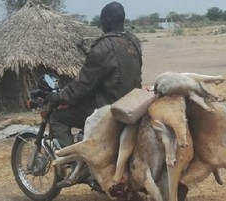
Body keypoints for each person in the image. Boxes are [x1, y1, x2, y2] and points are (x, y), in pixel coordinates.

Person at [45, 1, 142, 189]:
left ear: (107, 20)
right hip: (130, 105)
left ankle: (77, 165)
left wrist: (60, 97)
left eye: (101, 20)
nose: (100, 24)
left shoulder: (102, 48)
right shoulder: (134, 43)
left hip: (107, 110)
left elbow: (83, 85)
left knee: (58, 117)